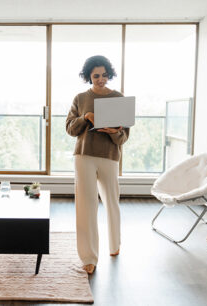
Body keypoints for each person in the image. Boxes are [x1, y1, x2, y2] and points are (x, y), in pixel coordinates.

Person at [66, 55, 130, 274]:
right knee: (86, 205)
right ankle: (88, 256)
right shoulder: (80, 98)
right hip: (84, 155)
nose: (101, 79)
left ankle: (115, 245)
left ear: (109, 74)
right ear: (88, 76)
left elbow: (124, 137)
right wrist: (86, 117)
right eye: (96, 76)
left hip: (109, 155)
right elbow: (70, 128)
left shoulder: (118, 97)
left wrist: (115, 131)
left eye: (104, 75)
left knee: (112, 201)